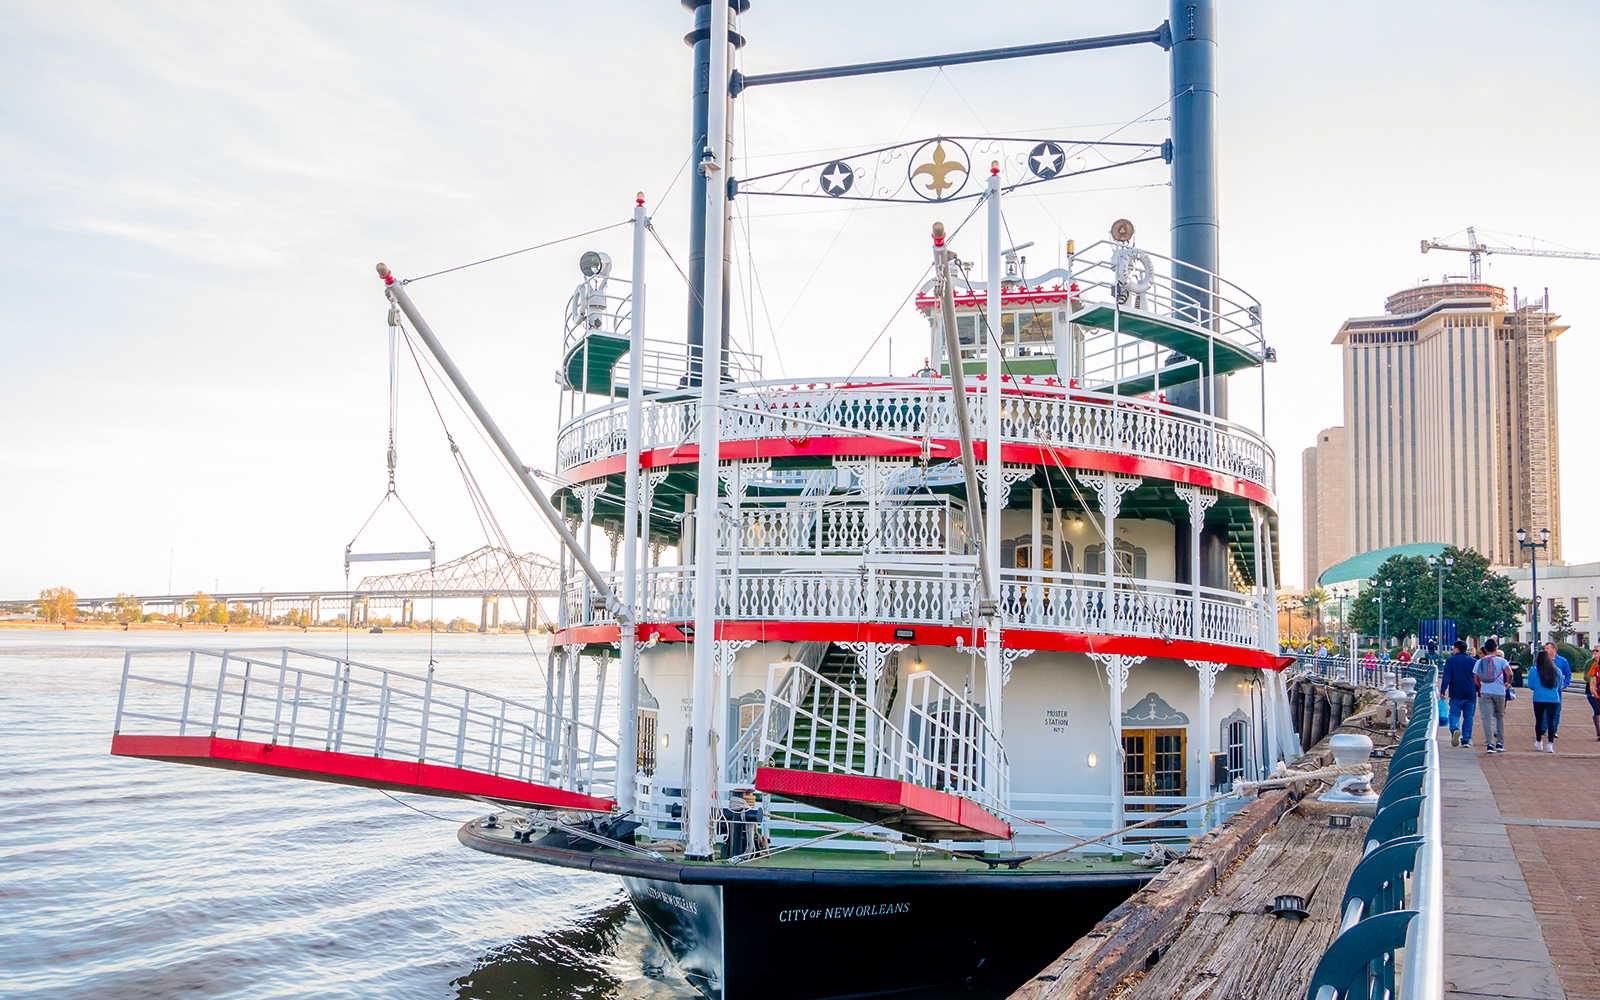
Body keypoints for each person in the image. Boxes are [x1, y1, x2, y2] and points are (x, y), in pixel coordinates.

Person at [1475, 639, 1511, 753]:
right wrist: (1508, 683)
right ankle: (1499, 742)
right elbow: (1510, 672)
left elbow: (1476, 678)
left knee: (1486, 717)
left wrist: (1481, 685)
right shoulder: (1502, 661)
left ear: (1485, 649)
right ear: (1496, 649)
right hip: (1500, 691)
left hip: (1485, 691)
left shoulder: (1480, 661)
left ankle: (1489, 743)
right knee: (1499, 716)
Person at [1443, 640, 1480, 748]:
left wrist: (1442, 691)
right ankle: (1466, 740)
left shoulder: (1451, 661)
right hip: (1470, 692)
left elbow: (1447, 677)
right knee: (1469, 716)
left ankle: (1455, 729)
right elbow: (1477, 677)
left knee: (1454, 714)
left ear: (1457, 649)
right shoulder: (1473, 661)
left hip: (1456, 692)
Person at [1529, 648, 1563, 752]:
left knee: (1539, 720)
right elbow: (1559, 685)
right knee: (1551, 721)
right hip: (1553, 698)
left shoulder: (1534, 670)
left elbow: (1531, 686)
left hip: (1539, 698)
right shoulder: (1556, 670)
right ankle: (1550, 744)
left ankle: (1539, 741)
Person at [1545, 641, 1571, 735]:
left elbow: (1568, 673)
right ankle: (1544, 728)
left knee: (1557, 710)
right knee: (1544, 710)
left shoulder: (1562, 661)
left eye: (1547, 648)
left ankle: (1554, 729)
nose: (1545, 650)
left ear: (1554, 649)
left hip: (1557, 689)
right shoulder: (1544, 660)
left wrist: (1565, 684)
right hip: (1545, 688)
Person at [1586, 649, 1600, 741]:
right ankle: (1599, 733)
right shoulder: (1594, 665)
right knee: (1597, 711)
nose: (1594, 652)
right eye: (1593, 650)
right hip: (1598, 693)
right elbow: (1591, 677)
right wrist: (1592, 687)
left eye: (1597, 651)